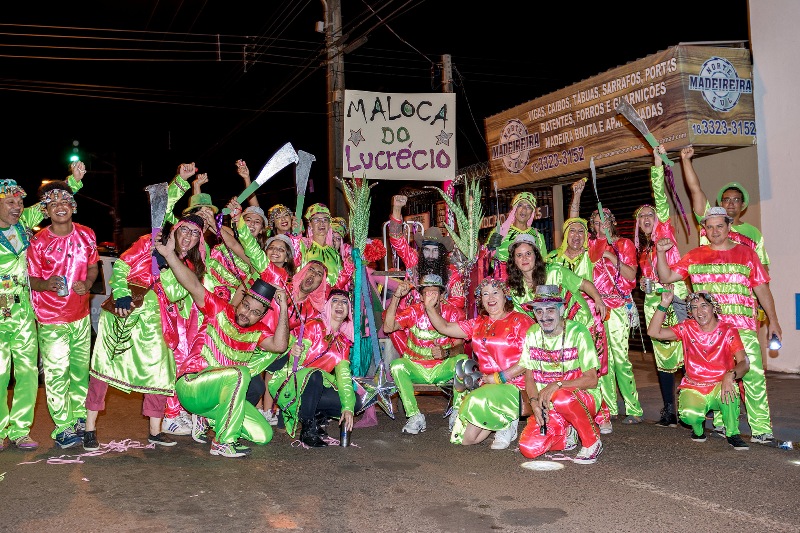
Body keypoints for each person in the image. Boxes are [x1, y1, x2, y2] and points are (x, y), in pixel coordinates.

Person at [155, 227, 289, 458]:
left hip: (219, 400)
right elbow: (193, 285)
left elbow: (279, 346)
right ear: (241, 300)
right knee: (240, 374)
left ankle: (209, 420)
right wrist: (169, 256)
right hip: (192, 385)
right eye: (246, 305)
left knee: (263, 435)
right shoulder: (219, 309)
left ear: (262, 316)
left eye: (256, 312)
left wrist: (284, 307)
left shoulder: (258, 331)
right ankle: (223, 442)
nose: (247, 313)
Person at [655, 206, 782, 445]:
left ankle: (762, 429)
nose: (714, 231)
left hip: (742, 326)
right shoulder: (694, 255)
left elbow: (762, 290)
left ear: (728, 227)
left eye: (719, 226)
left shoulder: (747, 254)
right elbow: (666, 278)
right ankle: (724, 425)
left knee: (752, 376)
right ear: (704, 229)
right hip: (709, 332)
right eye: (709, 226)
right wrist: (661, 253)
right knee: (716, 376)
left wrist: (773, 320)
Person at [85, 213, 209, 450]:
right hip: (123, 311)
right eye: (185, 230)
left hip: (154, 321)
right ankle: (89, 429)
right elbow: (122, 265)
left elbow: (174, 293)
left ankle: (155, 431)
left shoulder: (192, 266)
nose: (188, 236)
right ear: (176, 229)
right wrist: (120, 292)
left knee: (161, 372)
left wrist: (168, 260)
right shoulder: (151, 240)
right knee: (103, 368)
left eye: (195, 233)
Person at [0, 162, 87, 451]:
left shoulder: (23, 222)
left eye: (20, 201)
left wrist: (73, 181)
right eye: (10, 202)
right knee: (0, 373)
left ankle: (20, 430)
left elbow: (52, 203)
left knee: (26, 371)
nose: (17, 206)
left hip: (24, 310)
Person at [493, 285, 603, 464]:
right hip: (546, 403)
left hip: (580, 397)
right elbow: (529, 377)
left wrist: (557, 385)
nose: (545, 317)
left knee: (561, 397)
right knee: (529, 449)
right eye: (539, 311)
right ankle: (569, 431)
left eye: (550, 310)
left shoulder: (578, 332)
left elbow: (592, 380)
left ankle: (592, 441)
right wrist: (535, 403)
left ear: (561, 309)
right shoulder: (533, 333)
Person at [27, 180, 98, 449]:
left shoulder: (87, 234)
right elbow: (29, 279)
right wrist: (46, 284)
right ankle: (63, 426)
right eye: (53, 204)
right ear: (45, 210)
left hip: (80, 316)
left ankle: (80, 417)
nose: (60, 207)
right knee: (57, 373)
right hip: (51, 318)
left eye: (64, 202)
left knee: (80, 372)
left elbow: (93, 266)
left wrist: (88, 284)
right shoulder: (38, 242)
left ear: (73, 206)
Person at [424, 277, 535, 450]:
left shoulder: (521, 321)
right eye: (485, 294)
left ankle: (507, 422)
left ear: (505, 296)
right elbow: (445, 327)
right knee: (465, 439)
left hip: (515, 386)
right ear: (480, 300)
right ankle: (499, 419)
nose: (490, 298)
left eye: (495, 292)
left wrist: (499, 377)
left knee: (476, 400)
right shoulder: (477, 323)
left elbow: (531, 358)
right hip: (486, 387)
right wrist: (429, 308)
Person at [570, 182, 644, 425]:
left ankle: (633, 408)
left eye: (605, 221)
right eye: (596, 222)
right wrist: (577, 195)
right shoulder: (588, 245)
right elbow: (572, 224)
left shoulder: (624, 245)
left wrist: (612, 257)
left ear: (612, 223)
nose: (600, 226)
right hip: (592, 308)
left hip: (617, 307)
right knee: (601, 360)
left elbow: (632, 275)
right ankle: (609, 408)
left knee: (621, 358)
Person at [647, 289, 751, 450]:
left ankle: (732, 433)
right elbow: (654, 332)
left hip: (719, 385)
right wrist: (664, 303)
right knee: (689, 415)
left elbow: (744, 361)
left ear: (713, 308)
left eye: (704, 306)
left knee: (731, 390)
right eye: (694, 307)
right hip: (694, 386)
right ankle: (698, 430)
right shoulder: (687, 328)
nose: (699, 312)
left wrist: (731, 375)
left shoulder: (728, 330)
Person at [634, 145, 689, 428]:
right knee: (663, 357)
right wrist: (644, 285)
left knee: (688, 352)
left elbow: (660, 197)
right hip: (654, 304)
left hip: (676, 300)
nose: (646, 220)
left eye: (650, 216)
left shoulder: (664, 234)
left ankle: (695, 407)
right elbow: (648, 279)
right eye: (641, 218)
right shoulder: (643, 251)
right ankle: (669, 409)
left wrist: (656, 163)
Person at [546, 213, 613, 434]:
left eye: (581, 231)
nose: (576, 235)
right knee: (564, 367)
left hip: (588, 317)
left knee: (592, 368)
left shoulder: (590, 254)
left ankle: (601, 413)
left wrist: (599, 300)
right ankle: (570, 411)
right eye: (572, 231)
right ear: (565, 235)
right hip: (560, 320)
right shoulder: (552, 258)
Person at [269, 288, 360, 448]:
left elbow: (344, 377)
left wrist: (348, 408)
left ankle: (317, 415)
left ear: (348, 311)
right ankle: (307, 429)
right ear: (327, 306)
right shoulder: (313, 326)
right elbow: (292, 364)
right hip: (291, 385)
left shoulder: (343, 343)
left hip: (315, 388)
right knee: (315, 375)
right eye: (335, 301)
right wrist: (294, 352)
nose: (340, 304)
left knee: (356, 402)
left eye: (344, 302)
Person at [383, 275, 467, 434]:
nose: (431, 297)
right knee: (397, 365)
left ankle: (457, 414)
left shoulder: (453, 313)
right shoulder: (413, 312)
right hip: (416, 367)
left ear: (442, 296)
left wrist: (445, 352)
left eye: (435, 293)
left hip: (442, 368)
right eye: (427, 293)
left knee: (463, 361)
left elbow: (460, 347)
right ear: (421, 297)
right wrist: (396, 297)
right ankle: (415, 416)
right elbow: (388, 328)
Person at [679, 145, 769, 267]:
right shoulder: (708, 219)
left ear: (743, 204)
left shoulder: (754, 233)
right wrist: (686, 160)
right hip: (709, 282)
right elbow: (695, 189)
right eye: (727, 199)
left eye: (736, 199)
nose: (731, 203)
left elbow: (762, 268)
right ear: (721, 203)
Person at [483, 191, 547, 279]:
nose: (524, 210)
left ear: (532, 212)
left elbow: (543, 265)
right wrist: (489, 249)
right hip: (503, 284)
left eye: (528, 207)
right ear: (514, 208)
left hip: (528, 284)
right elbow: (483, 261)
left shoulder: (537, 235)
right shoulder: (500, 231)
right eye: (520, 205)